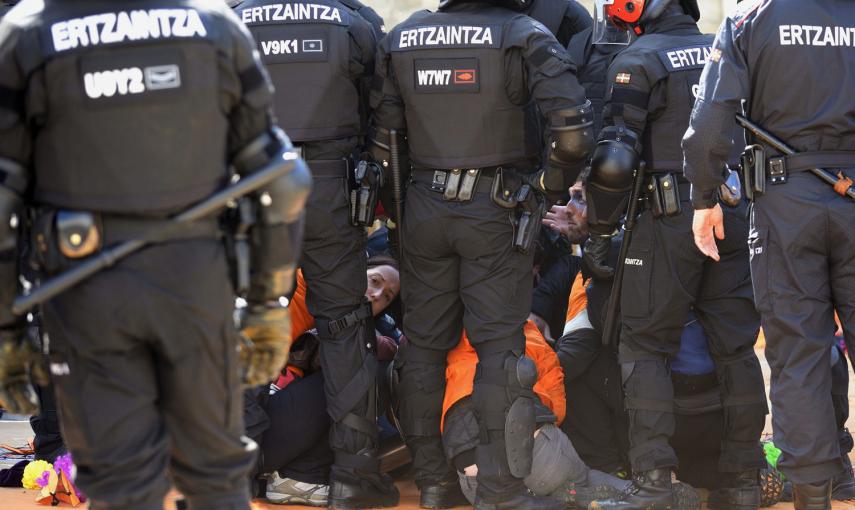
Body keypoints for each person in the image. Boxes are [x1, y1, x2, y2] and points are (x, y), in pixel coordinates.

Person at [0, 1, 311, 509]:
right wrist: (267, 306)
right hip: (197, 283)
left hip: (85, 294)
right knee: (215, 475)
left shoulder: (28, 32)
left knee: (121, 485)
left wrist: (9, 329)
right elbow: (283, 180)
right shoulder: (214, 24)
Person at [370, 0, 594, 507]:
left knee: (423, 347)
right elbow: (574, 132)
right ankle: (498, 487)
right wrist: (543, 188)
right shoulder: (523, 33)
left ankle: (431, 483)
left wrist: (406, 202)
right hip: (496, 206)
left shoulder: (405, 35)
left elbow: (383, 141)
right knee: (500, 352)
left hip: (423, 205)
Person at [582, 1, 768, 508]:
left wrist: (598, 226)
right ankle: (744, 482)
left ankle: (653, 484)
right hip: (734, 210)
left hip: (670, 220)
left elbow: (614, 163)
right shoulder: (724, 48)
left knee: (645, 346)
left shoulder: (637, 60)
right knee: (736, 347)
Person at [683, 0, 855, 507]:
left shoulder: (750, 19)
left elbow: (711, 118)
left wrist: (704, 196)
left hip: (786, 202)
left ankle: (813, 496)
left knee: (798, 351)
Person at [232, 1, 399, 508]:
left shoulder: (234, 18)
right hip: (332, 186)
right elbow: (385, 112)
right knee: (346, 331)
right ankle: (352, 476)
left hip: (256, 183)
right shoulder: (356, 23)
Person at [244, 257, 402, 507]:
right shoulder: (298, 291)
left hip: (264, 432)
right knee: (362, 373)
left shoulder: (354, 327)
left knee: (371, 369)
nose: (376, 295)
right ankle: (298, 475)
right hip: (239, 439)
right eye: (374, 281)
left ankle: (299, 478)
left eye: (387, 296)